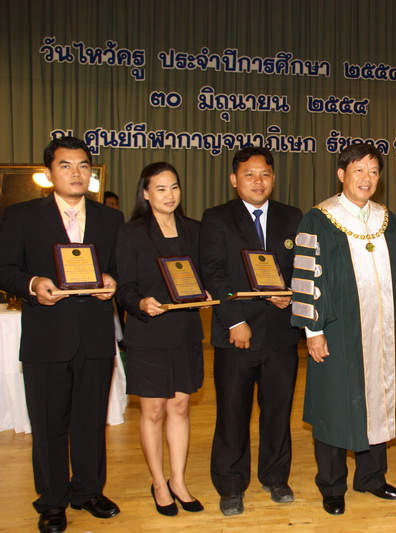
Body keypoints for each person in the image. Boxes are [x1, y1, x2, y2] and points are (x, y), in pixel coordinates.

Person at [0, 137, 123, 533]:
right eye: (66, 165)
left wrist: (112, 280)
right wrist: (33, 283)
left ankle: (88, 491)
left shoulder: (110, 219)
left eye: (83, 165)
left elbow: (121, 267)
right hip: (47, 336)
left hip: (95, 335)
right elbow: (5, 269)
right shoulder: (22, 216)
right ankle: (52, 501)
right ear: (49, 172)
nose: (76, 173)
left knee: (91, 421)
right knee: (49, 424)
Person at [291, 143, 396, 515]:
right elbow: (307, 276)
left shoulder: (387, 219)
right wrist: (313, 331)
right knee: (334, 404)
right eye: (358, 170)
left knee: (378, 399)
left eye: (373, 171)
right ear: (342, 174)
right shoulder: (320, 218)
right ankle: (331, 485)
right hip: (338, 329)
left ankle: (372, 477)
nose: (367, 178)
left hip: (384, 329)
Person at [199, 147, 302, 515]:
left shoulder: (292, 216)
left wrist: (291, 294)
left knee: (278, 412)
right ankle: (230, 484)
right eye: (249, 175)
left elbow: (304, 268)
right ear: (234, 179)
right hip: (236, 335)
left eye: (265, 175)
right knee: (232, 414)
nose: (258, 182)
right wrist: (235, 320)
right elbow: (213, 273)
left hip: (280, 334)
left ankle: (276, 477)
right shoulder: (217, 218)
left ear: (273, 178)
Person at [115, 163, 206, 516]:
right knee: (153, 411)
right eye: (161, 188)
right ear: (146, 193)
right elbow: (124, 287)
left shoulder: (194, 230)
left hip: (185, 332)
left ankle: (178, 481)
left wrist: (207, 292)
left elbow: (204, 276)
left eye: (174, 187)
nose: (170, 195)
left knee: (180, 407)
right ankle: (158, 483)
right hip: (149, 334)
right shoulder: (132, 232)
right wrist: (139, 303)